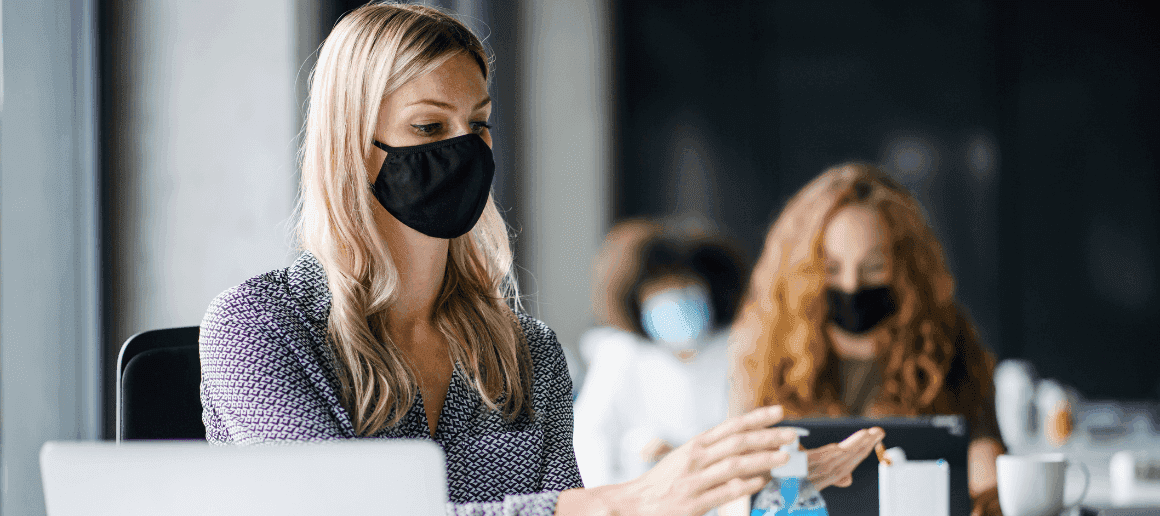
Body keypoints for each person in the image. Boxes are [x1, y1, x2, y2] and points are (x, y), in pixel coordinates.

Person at [199, 4, 804, 515]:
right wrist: (620, 504)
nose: (463, 149)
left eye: (479, 123)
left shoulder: (526, 353)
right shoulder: (258, 328)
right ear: (352, 148)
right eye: (430, 125)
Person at [728, 163, 1005, 516]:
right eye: (831, 269)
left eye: (873, 267)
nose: (851, 286)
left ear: (905, 266)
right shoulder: (765, 347)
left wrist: (988, 491)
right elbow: (738, 477)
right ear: (804, 273)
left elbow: (982, 449)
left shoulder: (949, 338)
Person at [574, 225, 750, 488]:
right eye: (659, 287)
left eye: (685, 283)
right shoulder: (620, 353)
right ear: (635, 297)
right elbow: (589, 440)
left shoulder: (740, 347)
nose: (674, 295)